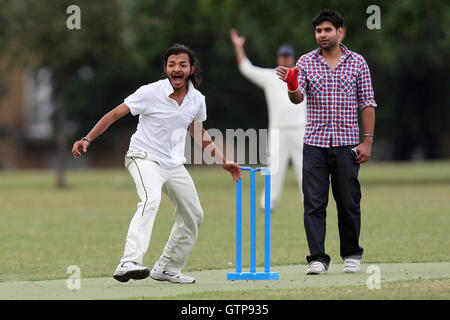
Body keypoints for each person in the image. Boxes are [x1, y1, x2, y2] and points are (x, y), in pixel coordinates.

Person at [72, 43, 241, 284]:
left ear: (191, 69)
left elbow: (199, 133)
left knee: (193, 214)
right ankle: (128, 261)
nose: (177, 69)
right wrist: (87, 139)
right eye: (171, 65)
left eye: (182, 64)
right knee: (151, 199)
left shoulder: (197, 99)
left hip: (173, 164)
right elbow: (114, 114)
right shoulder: (149, 92)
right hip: (143, 157)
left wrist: (223, 160)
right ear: (166, 69)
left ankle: (167, 267)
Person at [276, 9, 377, 275]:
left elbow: (367, 103)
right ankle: (318, 259)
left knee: (348, 201)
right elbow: (298, 99)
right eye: (318, 31)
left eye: (327, 30)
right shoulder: (306, 61)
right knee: (314, 203)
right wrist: (291, 84)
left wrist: (367, 142)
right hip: (314, 144)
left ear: (339, 32)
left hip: (346, 145)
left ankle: (352, 254)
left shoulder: (357, 62)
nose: (322, 35)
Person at [230, 28, 307, 213]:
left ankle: (311, 202)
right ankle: (268, 203)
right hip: (278, 130)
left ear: (293, 58)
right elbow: (245, 67)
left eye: (288, 57)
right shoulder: (270, 77)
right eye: (283, 57)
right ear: (278, 59)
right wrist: (238, 46)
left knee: (306, 168)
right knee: (274, 168)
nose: (286, 59)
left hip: (301, 129)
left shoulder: (303, 75)